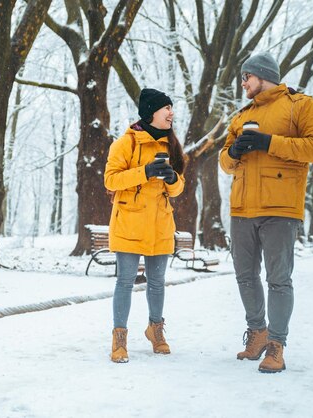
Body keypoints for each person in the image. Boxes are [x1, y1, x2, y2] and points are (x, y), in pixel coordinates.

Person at [219, 52, 313, 373]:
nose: (243, 84)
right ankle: (257, 333)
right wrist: (234, 152)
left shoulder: (300, 105)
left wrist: (270, 142)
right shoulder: (241, 116)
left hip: (280, 208)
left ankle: (276, 344)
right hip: (242, 208)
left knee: (278, 279)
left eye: (246, 77)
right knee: (244, 276)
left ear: (263, 75)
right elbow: (224, 162)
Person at [104, 88, 186, 363]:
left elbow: (178, 189)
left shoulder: (171, 145)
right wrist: (145, 172)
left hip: (160, 222)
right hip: (129, 221)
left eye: (172, 108)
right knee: (125, 282)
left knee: (157, 283)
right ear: (152, 112)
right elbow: (111, 181)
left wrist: (172, 178)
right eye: (167, 108)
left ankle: (156, 330)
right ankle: (119, 337)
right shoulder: (125, 143)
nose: (171, 113)